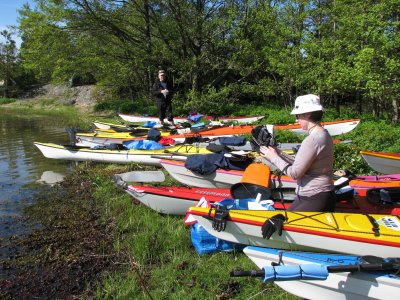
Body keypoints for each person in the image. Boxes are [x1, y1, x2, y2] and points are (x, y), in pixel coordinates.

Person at [260, 94, 335, 212]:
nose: (296, 119)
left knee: (286, 225)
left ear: (307, 114)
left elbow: (295, 173)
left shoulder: (313, 139)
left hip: (314, 196)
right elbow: (300, 164)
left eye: (298, 115)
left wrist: (273, 157)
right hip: (317, 194)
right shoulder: (324, 134)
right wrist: (279, 153)